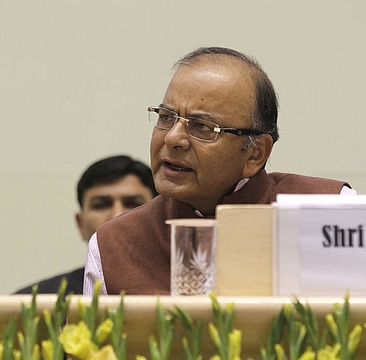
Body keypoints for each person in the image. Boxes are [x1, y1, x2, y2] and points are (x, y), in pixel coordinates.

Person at [83, 46, 355, 296]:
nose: (172, 139)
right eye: (166, 117)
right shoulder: (113, 246)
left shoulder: (332, 210)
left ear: (255, 153)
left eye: (202, 126)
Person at [14, 155, 156, 295]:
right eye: (101, 205)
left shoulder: (176, 294)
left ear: (158, 218)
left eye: (133, 204)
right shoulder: (31, 305)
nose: (117, 216)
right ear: (80, 224)